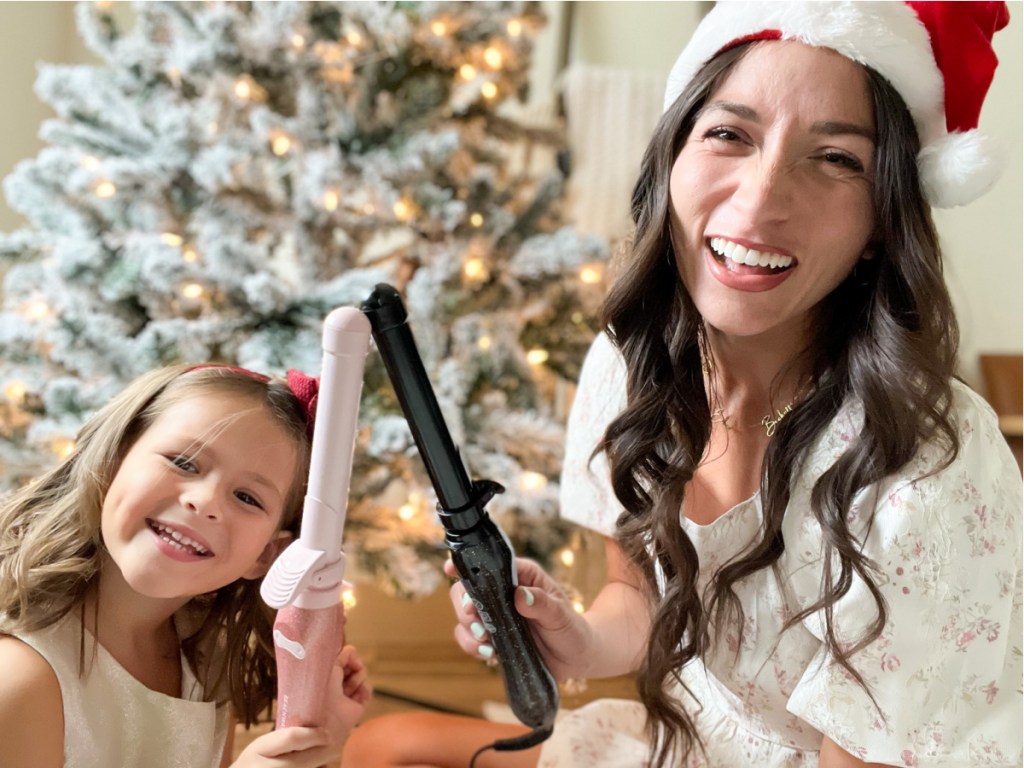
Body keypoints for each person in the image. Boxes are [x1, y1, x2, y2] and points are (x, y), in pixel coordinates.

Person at [342, 2, 1020, 767]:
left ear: (881, 226)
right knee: (387, 745)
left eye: (835, 158)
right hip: (704, 747)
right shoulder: (631, 365)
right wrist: (574, 635)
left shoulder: (931, 461)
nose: (761, 200)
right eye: (730, 134)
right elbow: (638, 601)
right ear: (671, 161)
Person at [0, 364, 372, 767]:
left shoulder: (203, 659)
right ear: (110, 463)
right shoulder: (21, 676)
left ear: (267, 556)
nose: (206, 501)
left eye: (247, 498)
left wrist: (315, 729)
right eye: (184, 461)